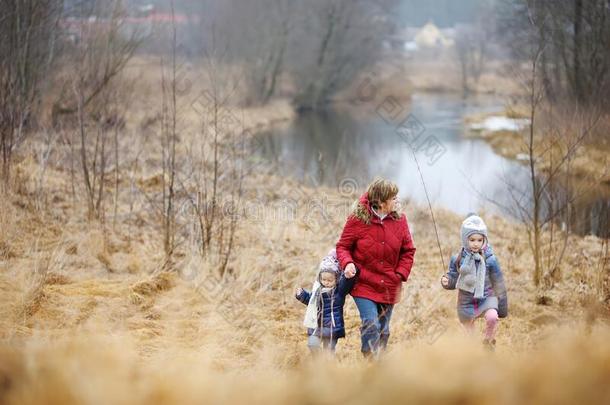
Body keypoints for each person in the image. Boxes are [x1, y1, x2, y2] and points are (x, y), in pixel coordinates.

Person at [336, 177, 416, 358]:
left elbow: (408, 251)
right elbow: (343, 247)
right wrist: (348, 263)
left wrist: (400, 274)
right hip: (363, 283)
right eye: (393, 197)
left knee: (384, 330)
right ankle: (370, 359)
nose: (397, 200)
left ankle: (378, 363)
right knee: (371, 323)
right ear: (380, 201)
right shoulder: (357, 219)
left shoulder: (400, 220)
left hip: (390, 284)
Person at [441, 214, 508, 351]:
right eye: (472, 240)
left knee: (492, 317)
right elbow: (453, 279)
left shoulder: (490, 259)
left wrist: (502, 307)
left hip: (487, 298)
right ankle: (472, 352)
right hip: (466, 301)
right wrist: (447, 281)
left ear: (484, 239)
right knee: (469, 335)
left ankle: (488, 343)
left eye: (479, 239)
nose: (476, 243)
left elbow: (499, 283)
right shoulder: (458, 258)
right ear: (465, 240)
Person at [295, 249, 356, 354]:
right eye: (324, 279)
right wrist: (301, 295)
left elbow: (346, 283)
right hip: (316, 325)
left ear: (336, 279)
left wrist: (348, 276)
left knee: (329, 351)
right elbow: (311, 301)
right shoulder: (317, 290)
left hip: (332, 326)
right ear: (320, 278)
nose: (326, 282)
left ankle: (328, 367)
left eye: (329, 280)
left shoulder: (339, 291)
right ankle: (318, 362)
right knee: (312, 344)